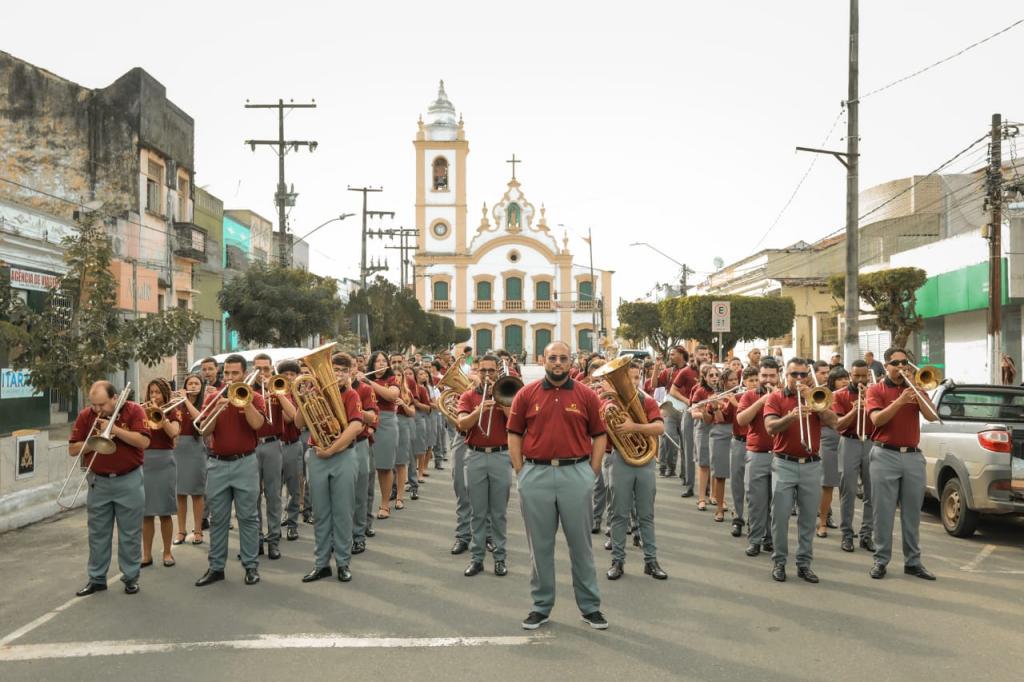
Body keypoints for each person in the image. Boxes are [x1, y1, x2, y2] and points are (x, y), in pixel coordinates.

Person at [508, 341, 609, 631]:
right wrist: (521, 471)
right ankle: (540, 606)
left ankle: (590, 607)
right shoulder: (526, 394)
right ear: (544, 360)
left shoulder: (587, 395)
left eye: (563, 358)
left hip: (575, 474)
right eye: (553, 358)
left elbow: (599, 435)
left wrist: (591, 472)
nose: (558, 363)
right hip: (536, 474)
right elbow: (514, 433)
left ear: (571, 362)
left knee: (581, 546)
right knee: (539, 547)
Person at [865, 348, 939, 581]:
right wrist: (900, 401)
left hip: (913, 456)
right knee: (883, 512)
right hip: (884, 454)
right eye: (895, 363)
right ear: (886, 365)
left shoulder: (915, 388)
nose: (900, 366)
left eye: (904, 362)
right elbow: (877, 420)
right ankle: (880, 561)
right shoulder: (875, 389)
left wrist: (917, 392)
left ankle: (913, 562)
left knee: (912, 513)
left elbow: (932, 416)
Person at [71, 381, 150, 596]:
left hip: (129, 479)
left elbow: (143, 442)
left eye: (102, 404)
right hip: (98, 482)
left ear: (114, 398)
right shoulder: (86, 416)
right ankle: (97, 579)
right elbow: (73, 449)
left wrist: (114, 429)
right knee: (97, 533)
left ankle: (131, 578)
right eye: (94, 405)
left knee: (130, 533)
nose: (97, 409)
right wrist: (94, 440)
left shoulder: (134, 410)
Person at [763, 358, 838, 583]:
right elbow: (770, 427)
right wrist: (790, 417)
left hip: (812, 464)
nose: (798, 379)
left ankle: (804, 564)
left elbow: (834, 421)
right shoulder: (776, 397)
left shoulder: (816, 396)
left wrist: (814, 403)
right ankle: (779, 562)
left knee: (807, 518)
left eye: (803, 375)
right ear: (785, 375)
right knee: (780, 516)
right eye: (793, 374)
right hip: (784, 463)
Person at [195, 354, 266, 587]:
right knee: (218, 519)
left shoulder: (254, 397)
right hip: (217, 464)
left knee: (248, 517)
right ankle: (216, 568)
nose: (229, 377)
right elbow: (204, 431)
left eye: (235, 373)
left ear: (244, 374)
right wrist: (216, 408)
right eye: (226, 373)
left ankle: (250, 566)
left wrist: (245, 403)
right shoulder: (213, 397)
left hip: (245, 462)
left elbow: (258, 425)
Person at [298, 353, 365, 584]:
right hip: (317, 456)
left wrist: (332, 449)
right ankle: (321, 564)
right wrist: (303, 398)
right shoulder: (316, 392)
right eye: (334, 369)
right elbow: (298, 423)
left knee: (343, 512)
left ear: (350, 373)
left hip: (342, 456)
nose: (338, 374)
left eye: (343, 371)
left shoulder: (351, 394)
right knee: (320, 513)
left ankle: (343, 563)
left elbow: (355, 427)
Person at [602, 361, 667, 581]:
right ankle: (617, 561)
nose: (632, 382)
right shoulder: (610, 404)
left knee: (646, 515)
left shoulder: (647, 401)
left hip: (645, 462)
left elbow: (659, 428)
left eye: (637, 377)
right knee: (619, 514)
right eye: (628, 378)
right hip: (621, 460)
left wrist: (634, 427)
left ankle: (651, 561)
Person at [457, 354, 513, 577]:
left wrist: (501, 401)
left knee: (499, 513)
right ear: (477, 372)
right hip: (475, 456)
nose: (487, 374)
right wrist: (479, 410)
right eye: (483, 370)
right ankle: (477, 558)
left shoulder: (506, 394)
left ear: (497, 372)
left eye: (491, 370)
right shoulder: (468, 395)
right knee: (477, 513)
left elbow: (516, 422)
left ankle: (500, 558)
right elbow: (462, 424)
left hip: (500, 455)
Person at [736, 357, 780, 557]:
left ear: (778, 376)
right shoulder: (749, 395)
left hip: (780, 456)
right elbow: (741, 420)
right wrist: (762, 401)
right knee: (756, 501)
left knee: (777, 502)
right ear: (759, 375)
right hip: (757, 454)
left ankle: (770, 538)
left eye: (772, 376)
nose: (768, 379)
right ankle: (755, 540)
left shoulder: (785, 395)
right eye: (764, 375)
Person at [831, 360, 876, 553]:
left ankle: (866, 535)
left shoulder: (874, 392)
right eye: (856, 375)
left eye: (863, 376)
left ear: (868, 375)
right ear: (850, 375)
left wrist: (870, 401)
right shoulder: (839, 395)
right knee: (848, 490)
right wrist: (854, 409)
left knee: (872, 492)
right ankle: (847, 534)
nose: (860, 379)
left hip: (871, 442)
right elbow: (838, 424)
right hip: (849, 441)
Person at [142, 378, 180, 568]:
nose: (154, 396)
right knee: (146, 513)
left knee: (165, 512)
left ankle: (167, 552)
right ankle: (146, 555)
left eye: (157, 392)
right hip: (145, 461)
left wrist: (161, 415)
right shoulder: (142, 411)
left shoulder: (173, 410)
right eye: (151, 392)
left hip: (165, 461)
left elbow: (173, 432)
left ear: (165, 394)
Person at [252, 353, 286, 560]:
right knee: (252, 496)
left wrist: (277, 393)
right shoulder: (246, 389)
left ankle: (273, 539)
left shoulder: (278, 387)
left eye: (266, 369)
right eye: (258, 368)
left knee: (273, 495)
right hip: (251, 446)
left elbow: (292, 416)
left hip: (273, 444)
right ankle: (256, 540)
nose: (262, 373)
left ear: (272, 369)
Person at [366, 351, 400, 520]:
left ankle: (385, 505)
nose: (381, 363)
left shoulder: (392, 379)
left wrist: (369, 383)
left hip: (386, 423)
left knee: (384, 467)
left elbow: (392, 395)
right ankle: (364, 508)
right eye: (377, 361)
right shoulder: (365, 378)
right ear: (372, 364)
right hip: (366, 421)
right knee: (366, 467)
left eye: (383, 361)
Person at [174, 374, 207, 545]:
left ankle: (198, 530)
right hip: (178, 448)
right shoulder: (176, 403)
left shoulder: (205, 402)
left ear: (201, 387)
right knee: (179, 492)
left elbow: (200, 419)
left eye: (196, 383)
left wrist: (185, 400)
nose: (193, 386)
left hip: (195, 447)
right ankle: (181, 530)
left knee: (196, 492)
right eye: (190, 383)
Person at [351, 365, 380, 555]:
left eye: (348, 368)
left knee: (361, 492)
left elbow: (373, 417)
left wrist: (354, 408)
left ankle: (359, 535)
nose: (340, 373)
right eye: (335, 369)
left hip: (359, 442)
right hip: (335, 445)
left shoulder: (365, 389)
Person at [729, 366, 760, 536]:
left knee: (753, 485)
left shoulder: (764, 397)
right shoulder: (737, 396)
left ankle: (753, 521)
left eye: (756, 380)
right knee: (737, 482)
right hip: (739, 442)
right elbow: (726, 417)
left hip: (756, 445)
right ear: (744, 382)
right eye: (751, 381)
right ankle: (738, 518)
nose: (754, 383)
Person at [816, 367, 847, 538]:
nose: (844, 381)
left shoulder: (851, 394)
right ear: (833, 382)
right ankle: (822, 521)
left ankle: (845, 524)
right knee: (827, 483)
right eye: (840, 379)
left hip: (847, 439)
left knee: (845, 485)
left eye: (846, 378)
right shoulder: (826, 395)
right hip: (828, 439)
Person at [276, 360, 304, 542]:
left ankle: (292, 523)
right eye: (284, 374)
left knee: (294, 488)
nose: (288, 377)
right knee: (274, 489)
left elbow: (289, 418)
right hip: (274, 446)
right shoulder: (272, 392)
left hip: (292, 444)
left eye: (292, 374)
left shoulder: (299, 395)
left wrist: (281, 398)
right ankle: (275, 525)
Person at [707, 368, 738, 523]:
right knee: (720, 474)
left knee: (738, 476)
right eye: (730, 380)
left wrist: (735, 402)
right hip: (719, 434)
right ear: (724, 382)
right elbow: (717, 419)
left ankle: (737, 510)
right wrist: (714, 407)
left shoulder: (742, 395)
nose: (734, 383)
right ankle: (719, 508)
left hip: (736, 433)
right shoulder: (717, 396)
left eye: (735, 379)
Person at [688, 364, 720, 511]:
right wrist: (706, 413)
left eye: (716, 375)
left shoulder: (720, 391)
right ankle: (701, 498)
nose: (714, 378)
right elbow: (693, 413)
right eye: (711, 375)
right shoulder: (700, 391)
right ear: (705, 378)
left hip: (717, 429)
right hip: (703, 430)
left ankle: (714, 495)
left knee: (715, 464)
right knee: (704, 465)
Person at [667, 348, 698, 495]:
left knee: (706, 453)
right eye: (701, 354)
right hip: (687, 411)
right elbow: (672, 391)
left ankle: (708, 489)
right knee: (687, 448)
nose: (704, 357)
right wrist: (688, 401)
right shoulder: (686, 371)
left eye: (707, 354)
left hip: (706, 414)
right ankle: (688, 482)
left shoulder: (711, 371)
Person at [654, 347, 687, 478]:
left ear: (681, 355)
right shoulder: (668, 371)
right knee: (668, 438)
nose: (670, 356)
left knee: (685, 442)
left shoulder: (689, 371)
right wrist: (656, 367)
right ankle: (668, 467)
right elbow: (654, 384)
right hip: (669, 408)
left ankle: (685, 472)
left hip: (685, 409)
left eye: (673, 354)